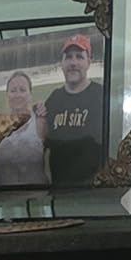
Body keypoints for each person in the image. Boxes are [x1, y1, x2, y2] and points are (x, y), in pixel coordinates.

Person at [43, 34, 105, 186]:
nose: (73, 63)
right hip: (60, 190)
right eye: (69, 57)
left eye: (79, 57)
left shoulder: (101, 96)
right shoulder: (54, 99)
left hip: (93, 190)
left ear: (89, 62)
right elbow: (44, 146)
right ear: (62, 63)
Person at [0, 70, 47, 186]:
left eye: (22, 90)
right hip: (5, 195)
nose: (17, 95)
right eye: (13, 90)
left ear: (30, 94)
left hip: (37, 195)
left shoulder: (40, 120)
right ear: (7, 94)